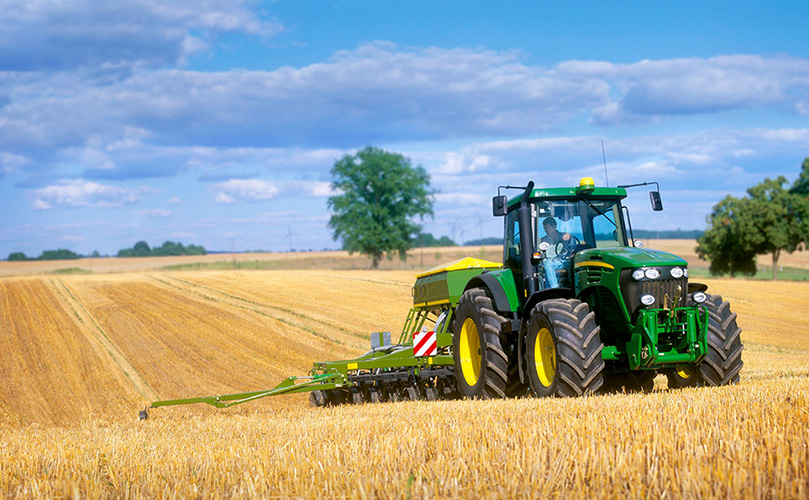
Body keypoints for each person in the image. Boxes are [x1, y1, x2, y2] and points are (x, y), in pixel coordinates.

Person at [540, 217, 574, 288]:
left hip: (563, 261)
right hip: (551, 262)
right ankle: (555, 288)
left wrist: (569, 237)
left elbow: (572, 244)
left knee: (574, 263)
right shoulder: (543, 240)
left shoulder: (564, 236)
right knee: (548, 265)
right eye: (544, 228)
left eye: (547, 228)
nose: (545, 230)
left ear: (554, 226)